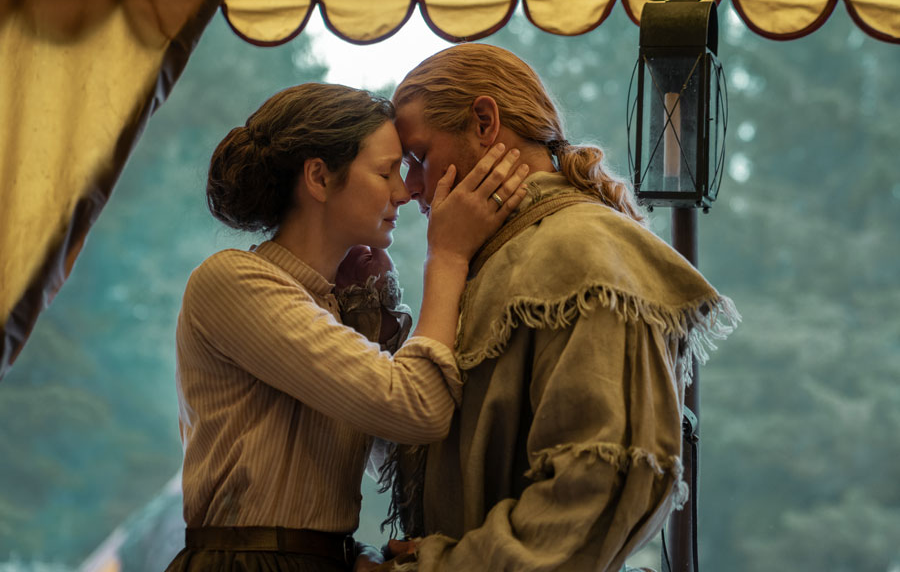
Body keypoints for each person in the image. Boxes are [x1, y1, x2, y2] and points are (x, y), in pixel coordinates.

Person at [371, 43, 740, 571]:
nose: (409, 189)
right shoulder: (494, 259)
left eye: (420, 158)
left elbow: (595, 487)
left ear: (483, 121)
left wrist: (440, 566)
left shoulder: (584, 251)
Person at [165, 83, 529, 572]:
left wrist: (354, 556)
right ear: (318, 177)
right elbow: (415, 407)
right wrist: (446, 257)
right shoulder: (232, 281)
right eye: (385, 172)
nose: (403, 191)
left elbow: (395, 454)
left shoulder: (337, 306)